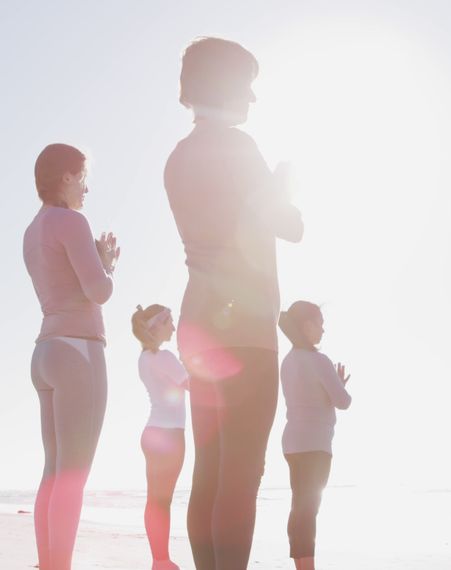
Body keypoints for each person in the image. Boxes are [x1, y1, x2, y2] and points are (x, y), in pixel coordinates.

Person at [164, 36, 304, 570]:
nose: (253, 97)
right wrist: (283, 185)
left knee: (212, 468)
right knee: (242, 473)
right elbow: (287, 226)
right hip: (244, 323)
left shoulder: (178, 156)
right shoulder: (239, 149)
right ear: (225, 83)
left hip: (199, 319)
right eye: (247, 82)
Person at [24, 143, 120, 570]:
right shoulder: (72, 220)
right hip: (78, 349)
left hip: (45, 350)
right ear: (65, 176)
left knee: (53, 470)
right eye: (82, 177)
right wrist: (106, 265)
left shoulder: (33, 229)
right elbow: (98, 291)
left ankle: (48, 563)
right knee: (74, 474)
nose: (86, 188)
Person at [278, 302, 351, 570]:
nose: (323, 329)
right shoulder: (319, 360)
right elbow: (343, 401)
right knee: (309, 510)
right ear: (307, 326)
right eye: (320, 323)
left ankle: (302, 565)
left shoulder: (288, 361)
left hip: (292, 444)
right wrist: (339, 386)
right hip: (316, 445)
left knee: (300, 507)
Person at [132, 304, 189, 570]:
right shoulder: (164, 357)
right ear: (158, 326)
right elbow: (193, 385)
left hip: (152, 432)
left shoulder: (144, 358)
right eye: (170, 323)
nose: (174, 328)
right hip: (169, 435)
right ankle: (161, 561)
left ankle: (159, 559)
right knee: (162, 501)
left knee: (155, 499)